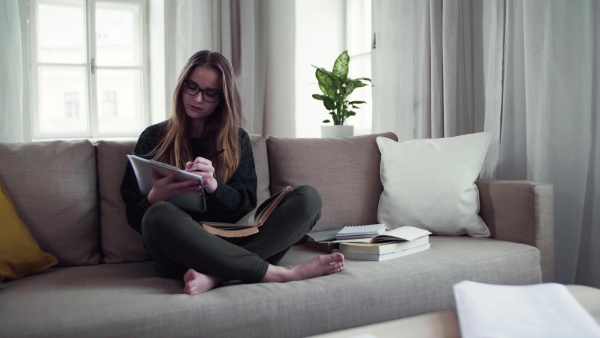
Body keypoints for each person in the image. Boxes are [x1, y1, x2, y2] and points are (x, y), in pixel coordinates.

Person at [120, 50, 344, 295]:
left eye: (210, 93)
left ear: (222, 98)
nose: (197, 99)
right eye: (192, 87)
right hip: (181, 251)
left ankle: (216, 276)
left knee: (308, 198)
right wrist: (155, 196)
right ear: (181, 85)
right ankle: (279, 273)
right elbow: (134, 217)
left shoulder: (238, 139)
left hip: (232, 239)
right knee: (158, 214)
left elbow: (246, 207)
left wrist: (214, 187)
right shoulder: (153, 137)